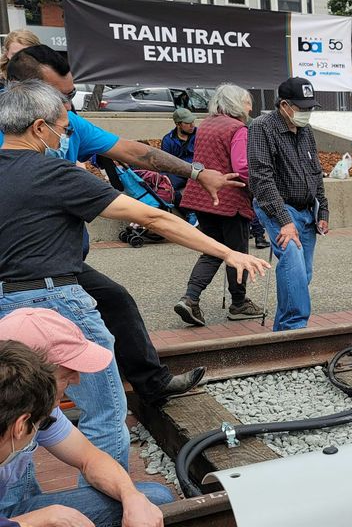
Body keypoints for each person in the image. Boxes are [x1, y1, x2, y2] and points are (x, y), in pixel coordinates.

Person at [0, 80, 268, 474]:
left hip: (7, 306)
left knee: (18, 417)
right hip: (55, 301)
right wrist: (228, 252)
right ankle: (113, 509)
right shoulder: (54, 173)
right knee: (105, 413)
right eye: (64, 127)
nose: (67, 135)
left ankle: (15, 506)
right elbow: (152, 216)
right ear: (40, 129)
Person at [4, 46, 238, 406]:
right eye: (60, 99)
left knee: (115, 300)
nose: (69, 109)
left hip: (60, 263)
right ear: (24, 93)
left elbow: (131, 152)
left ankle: (150, 384)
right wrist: (226, 251)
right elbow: (153, 218)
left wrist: (195, 172)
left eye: (70, 97)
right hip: (19, 269)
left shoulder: (67, 125)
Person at [0, 312, 173, 525]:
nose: (77, 378)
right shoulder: (25, 410)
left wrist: (131, 496)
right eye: (67, 371)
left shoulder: (35, 407)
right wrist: (39, 519)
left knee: (154, 500)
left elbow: (90, 458)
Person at [175, 84, 266, 326]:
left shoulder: (207, 124)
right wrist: (262, 187)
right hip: (230, 199)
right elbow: (242, 167)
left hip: (203, 198)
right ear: (236, 103)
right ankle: (239, 303)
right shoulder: (238, 129)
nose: (250, 107)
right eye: (247, 102)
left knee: (212, 249)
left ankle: (190, 298)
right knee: (237, 253)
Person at [248, 76, 329, 331]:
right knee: (293, 266)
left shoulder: (306, 131)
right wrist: (284, 221)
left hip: (307, 210)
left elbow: (315, 172)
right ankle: (295, 329)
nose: (307, 113)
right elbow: (261, 178)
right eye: (302, 108)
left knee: (301, 275)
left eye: (310, 108)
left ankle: (282, 331)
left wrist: (323, 209)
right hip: (279, 208)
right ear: (284, 105)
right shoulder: (262, 127)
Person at [160, 107, 197, 222]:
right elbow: (164, 162)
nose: (192, 125)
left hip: (197, 169)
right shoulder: (168, 140)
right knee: (167, 187)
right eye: (187, 123)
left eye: (192, 122)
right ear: (178, 124)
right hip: (178, 171)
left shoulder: (200, 134)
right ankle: (190, 214)